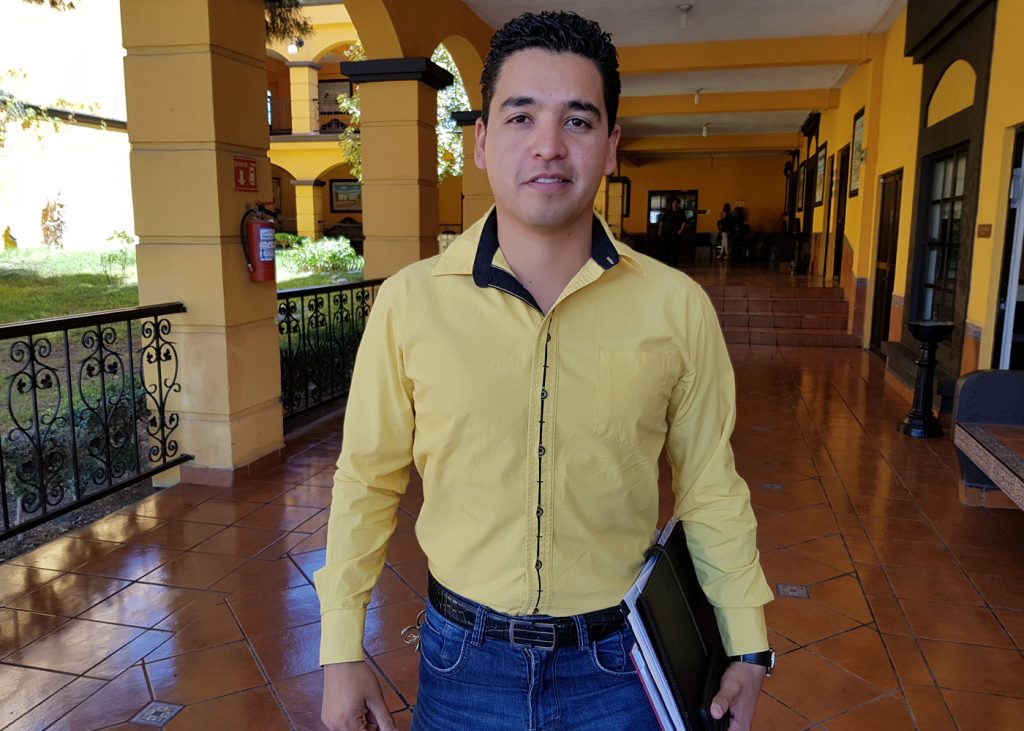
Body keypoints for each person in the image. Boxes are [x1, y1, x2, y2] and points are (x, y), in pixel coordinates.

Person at [315, 11, 774, 731]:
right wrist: (341, 646)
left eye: (578, 121)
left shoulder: (677, 308)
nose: (549, 146)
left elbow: (710, 485)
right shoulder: (409, 304)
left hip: (619, 668)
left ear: (611, 146)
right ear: (481, 141)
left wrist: (747, 642)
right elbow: (366, 479)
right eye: (521, 116)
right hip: (461, 665)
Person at [658, 196, 687, 267]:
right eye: (673, 203)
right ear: (672, 204)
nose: (675, 204)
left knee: (675, 249)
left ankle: (674, 264)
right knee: (667, 248)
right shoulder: (668, 212)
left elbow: (684, 222)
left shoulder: (681, 212)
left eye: (676, 203)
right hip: (668, 233)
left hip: (677, 233)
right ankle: (668, 263)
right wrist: (659, 230)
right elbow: (662, 221)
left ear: (678, 204)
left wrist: (680, 230)